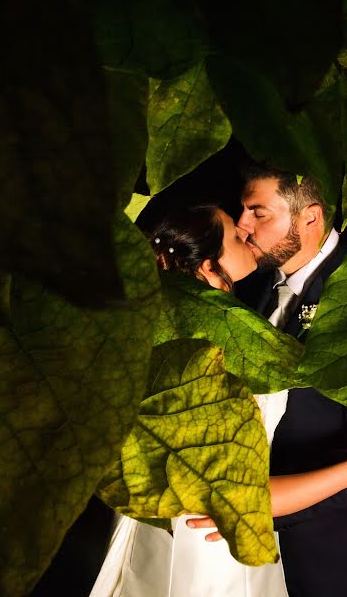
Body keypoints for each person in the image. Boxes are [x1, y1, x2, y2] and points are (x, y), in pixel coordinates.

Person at [188, 164, 347, 596]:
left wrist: (265, 505)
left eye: (258, 213)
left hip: (332, 548)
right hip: (253, 532)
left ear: (310, 218)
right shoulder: (255, 285)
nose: (244, 226)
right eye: (242, 212)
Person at [90, 201, 289, 597]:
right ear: (208, 265)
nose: (246, 234)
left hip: (165, 508)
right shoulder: (223, 330)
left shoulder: (148, 321)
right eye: (235, 234)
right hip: (207, 526)